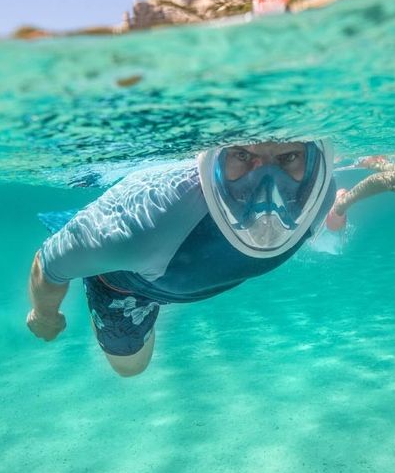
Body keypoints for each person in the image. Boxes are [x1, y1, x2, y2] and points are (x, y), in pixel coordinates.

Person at [27, 140, 335, 377]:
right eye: (241, 155)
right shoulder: (146, 224)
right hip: (124, 286)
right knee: (130, 368)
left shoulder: (320, 197)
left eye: (289, 156)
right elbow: (48, 263)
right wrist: (44, 316)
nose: (267, 186)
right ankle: (88, 250)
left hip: (160, 267)